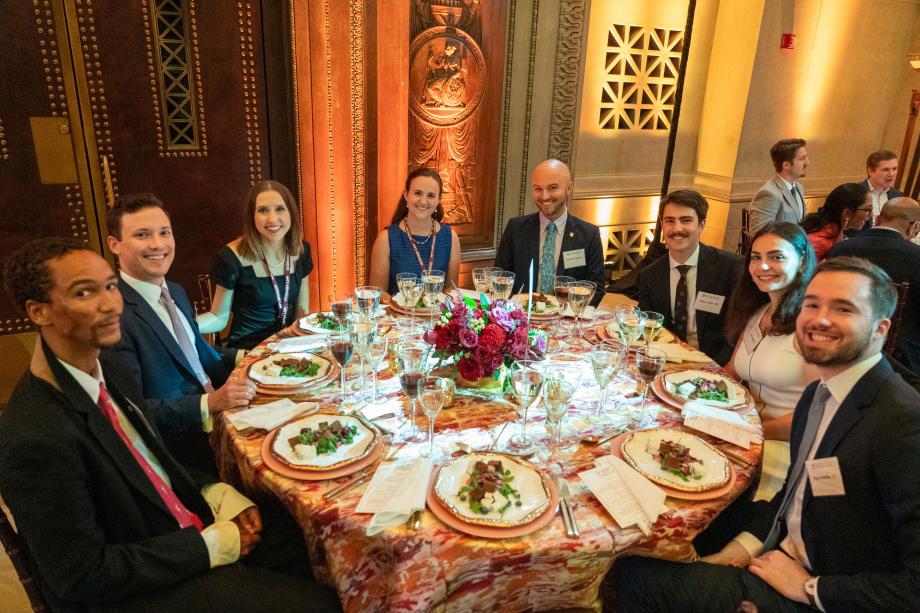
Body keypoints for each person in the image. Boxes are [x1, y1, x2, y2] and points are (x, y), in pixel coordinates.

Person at [0, 239, 341, 612]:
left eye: (111, 286)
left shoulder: (103, 369)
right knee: (320, 605)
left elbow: (149, 463)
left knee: (322, 546)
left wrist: (217, 492)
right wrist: (210, 547)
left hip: (176, 528)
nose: (111, 304)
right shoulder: (35, 436)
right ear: (39, 311)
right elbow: (81, 576)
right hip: (141, 588)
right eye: (84, 292)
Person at [615, 257, 920, 613]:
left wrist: (811, 589)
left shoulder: (902, 423)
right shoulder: (819, 396)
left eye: (843, 308)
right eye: (812, 304)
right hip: (782, 543)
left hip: (824, 586)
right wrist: (743, 549)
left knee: (632, 575)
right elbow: (796, 495)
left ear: (880, 329)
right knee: (651, 526)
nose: (819, 318)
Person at [101, 193, 255, 480]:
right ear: (115, 244)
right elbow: (131, 411)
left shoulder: (175, 291)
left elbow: (194, 353)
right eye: (142, 235)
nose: (158, 244)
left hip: (225, 416)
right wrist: (209, 403)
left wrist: (252, 358)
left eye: (164, 233)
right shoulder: (113, 315)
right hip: (187, 454)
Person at [723, 222, 820, 501]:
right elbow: (731, 371)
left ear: (801, 263)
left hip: (783, 448)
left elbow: (814, 414)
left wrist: (748, 431)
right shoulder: (760, 311)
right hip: (743, 430)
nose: (762, 266)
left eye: (776, 257)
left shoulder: (811, 326)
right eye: (756, 257)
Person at [197, 180, 313, 350]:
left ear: (291, 213)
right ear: (252, 217)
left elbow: (301, 312)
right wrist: (179, 325)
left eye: (280, 209)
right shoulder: (230, 257)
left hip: (287, 348)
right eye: (263, 210)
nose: (272, 219)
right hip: (247, 353)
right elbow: (218, 318)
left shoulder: (301, 250)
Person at [637, 189, 744, 365]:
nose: (677, 229)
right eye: (670, 221)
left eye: (686, 220)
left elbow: (740, 329)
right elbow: (649, 328)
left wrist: (719, 368)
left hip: (716, 364)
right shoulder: (650, 275)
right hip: (669, 362)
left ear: (701, 224)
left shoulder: (730, 268)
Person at [494, 159, 606, 305]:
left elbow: (596, 289)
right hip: (521, 318)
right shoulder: (515, 228)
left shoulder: (589, 234)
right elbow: (500, 277)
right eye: (538, 189)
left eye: (552, 188)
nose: (544, 196)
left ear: (569, 188)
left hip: (566, 319)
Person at [827, 197, 920, 372]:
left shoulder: (840, 250)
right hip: (903, 362)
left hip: (838, 344)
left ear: (877, 219)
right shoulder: (917, 257)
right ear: (913, 226)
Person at [368, 167, 461, 297]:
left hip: (435, 315)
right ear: (406, 195)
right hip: (398, 315)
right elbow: (378, 292)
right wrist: (405, 309)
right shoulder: (386, 238)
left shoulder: (451, 237)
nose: (423, 201)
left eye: (431, 195)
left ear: (439, 200)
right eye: (417, 193)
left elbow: (451, 288)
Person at [749, 139, 809, 234]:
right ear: (786, 165)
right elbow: (758, 236)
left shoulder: (799, 188)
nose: (807, 162)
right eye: (802, 158)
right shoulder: (769, 193)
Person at [800, 182, 871, 260]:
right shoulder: (817, 243)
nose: (870, 215)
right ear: (846, 213)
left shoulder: (836, 231)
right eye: (867, 210)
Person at [862, 149, 903, 227]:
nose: (891, 174)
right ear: (870, 171)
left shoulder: (898, 195)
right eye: (886, 169)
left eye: (894, 169)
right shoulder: (856, 193)